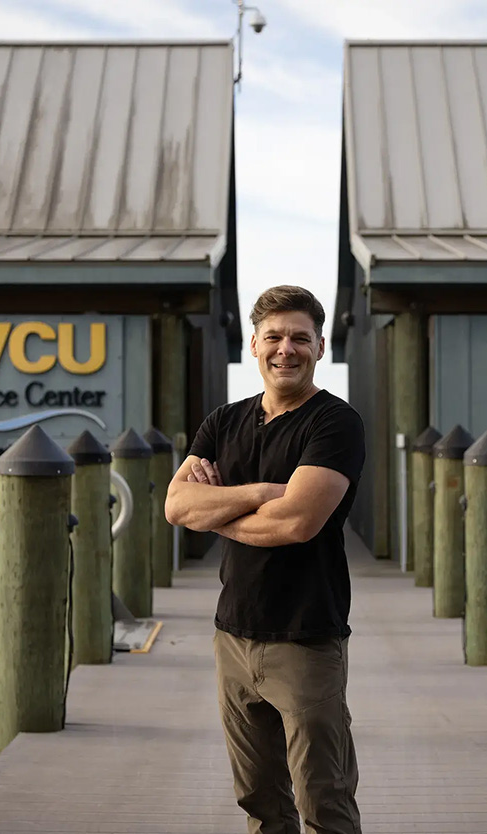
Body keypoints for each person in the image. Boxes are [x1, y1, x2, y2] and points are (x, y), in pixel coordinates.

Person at [164, 285, 366, 834]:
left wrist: (217, 510)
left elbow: (297, 523)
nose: (286, 349)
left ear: (321, 347)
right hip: (233, 635)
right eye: (273, 337)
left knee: (323, 802)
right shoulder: (222, 422)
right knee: (259, 802)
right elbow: (177, 505)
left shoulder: (335, 424)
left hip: (306, 640)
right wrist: (257, 494)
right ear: (253, 344)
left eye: (300, 338)